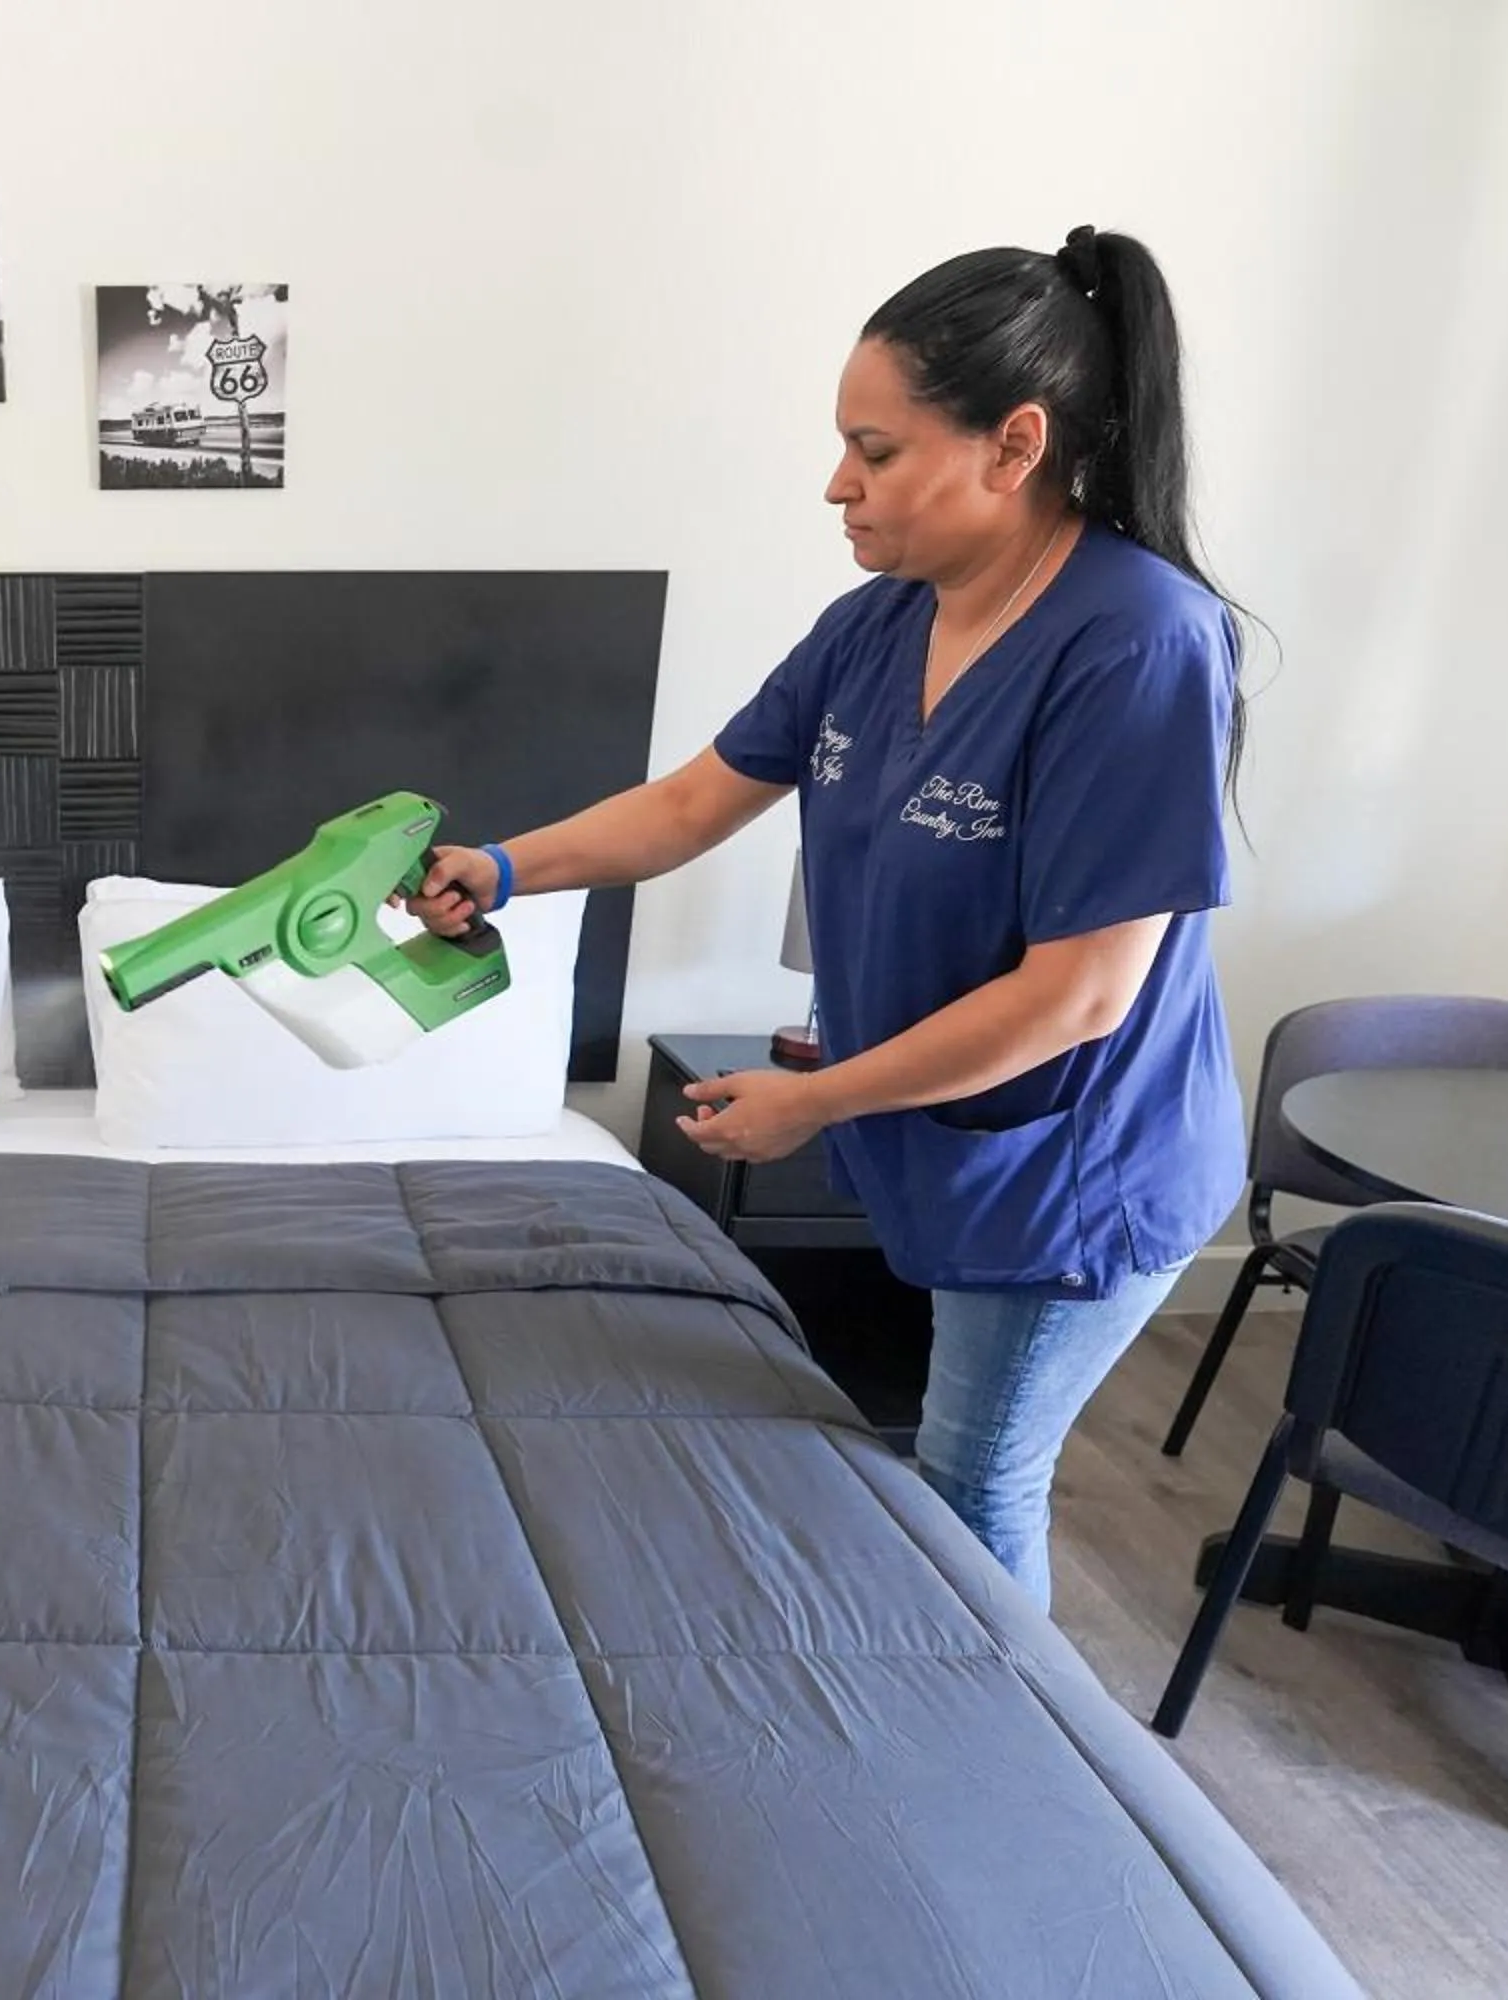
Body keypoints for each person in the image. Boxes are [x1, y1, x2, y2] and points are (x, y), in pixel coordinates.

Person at [406, 225, 1247, 1609]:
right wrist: (501, 868)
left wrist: (821, 1100)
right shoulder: (879, 624)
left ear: (1012, 444)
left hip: (1070, 1164)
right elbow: (691, 805)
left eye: (875, 450)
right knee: (948, 1453)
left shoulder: (1139, 643)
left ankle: (1005, 1763)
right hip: (945, 1128)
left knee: (980, 1478)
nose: (836, 487)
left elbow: (1081, 996)